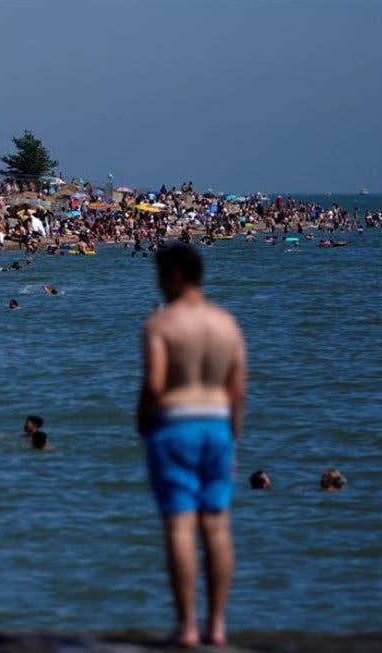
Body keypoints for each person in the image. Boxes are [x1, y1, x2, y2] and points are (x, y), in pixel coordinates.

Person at [137, 244, 247, 647]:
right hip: (217, 426)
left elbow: (153, 384)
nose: (158, 284)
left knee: (181, 526)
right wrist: (232, 440)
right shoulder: (227, 324)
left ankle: (186, 627)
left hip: (175, 425)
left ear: (176, 276)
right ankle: (216, 626)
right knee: (217, 527)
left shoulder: (162, 325)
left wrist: (141, 422)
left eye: (160, 276)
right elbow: (238, 392)